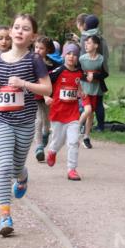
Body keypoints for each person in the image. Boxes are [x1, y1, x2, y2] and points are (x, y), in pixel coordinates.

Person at [0, 13, 52, 237]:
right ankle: (5, 217)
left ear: (33, 36)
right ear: (10, 32)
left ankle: (22, 177)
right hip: (2, 120)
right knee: (3, 167)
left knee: (15, 166)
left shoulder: (35, 60)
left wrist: (23, 83)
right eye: (16, 27)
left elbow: (47, 89)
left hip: (25, 123)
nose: (20, 31)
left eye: (26, 28)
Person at [45, 42, 85, 180]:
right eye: (68, 53)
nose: (71, 56)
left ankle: (72, 170)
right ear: (63, 55)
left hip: (73, 113)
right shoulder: (57, 72)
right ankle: (52, 151)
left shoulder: (79, 72)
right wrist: (45, 96)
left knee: (73, 141)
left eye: (74, 54)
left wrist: (81, 91)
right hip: (58, 112)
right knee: (58, 141)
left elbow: (77, 82)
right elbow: (44, 84)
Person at [79, 14, 109, 133]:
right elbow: (106, 55)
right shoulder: (101, 37)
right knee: (98, 103)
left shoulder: (84, 37)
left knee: (85, 103)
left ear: (86, 25)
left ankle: (82, 126)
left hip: (86, 73)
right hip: (100, 72)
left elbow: (82, 55)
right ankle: (100, 126)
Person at [32, 35, 60, 161]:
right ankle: (38, 147)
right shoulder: (31, 62)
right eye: (36, 47)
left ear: (48, 50)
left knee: (47, 120)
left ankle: (46, 134)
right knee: (38, 120)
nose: (37, 50)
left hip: (49, 96)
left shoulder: (54, 65)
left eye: (41, 48)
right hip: (36, 95)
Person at [78, 34, 106, 149]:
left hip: (96, 90)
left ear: (96, 45)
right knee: (88, 110)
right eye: (85, 43)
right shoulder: (82, 59)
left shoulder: (101, 59)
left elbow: (105, 73)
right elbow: (78, 73)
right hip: (85, 89)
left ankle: (86, 138)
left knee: (91, 115)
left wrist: (94, 75)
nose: (86, 45)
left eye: (88, 43)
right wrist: (86, 76)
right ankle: (75, 129)